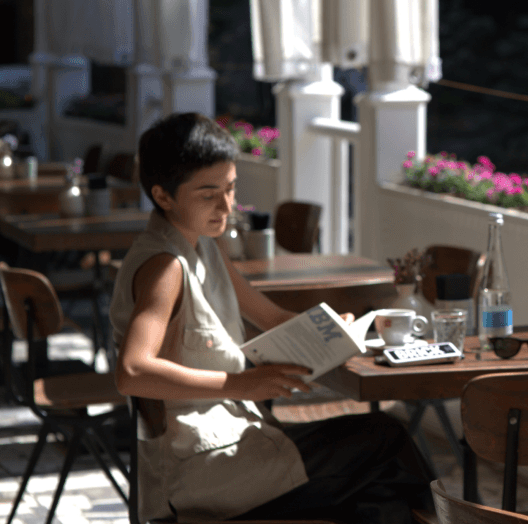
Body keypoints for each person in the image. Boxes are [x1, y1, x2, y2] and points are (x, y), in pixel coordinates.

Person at [111, 113, 433, 523]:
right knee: (384, 446)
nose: (226, 206)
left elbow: (269, 314)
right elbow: (132, 371)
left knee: (377, 480)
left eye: (230, 188)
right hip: (199, 468)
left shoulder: (204, 246)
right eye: (208, 194)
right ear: (163, 195)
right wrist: (241, 383)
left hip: (231, 442)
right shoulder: (164, 265)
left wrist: (334, 330)